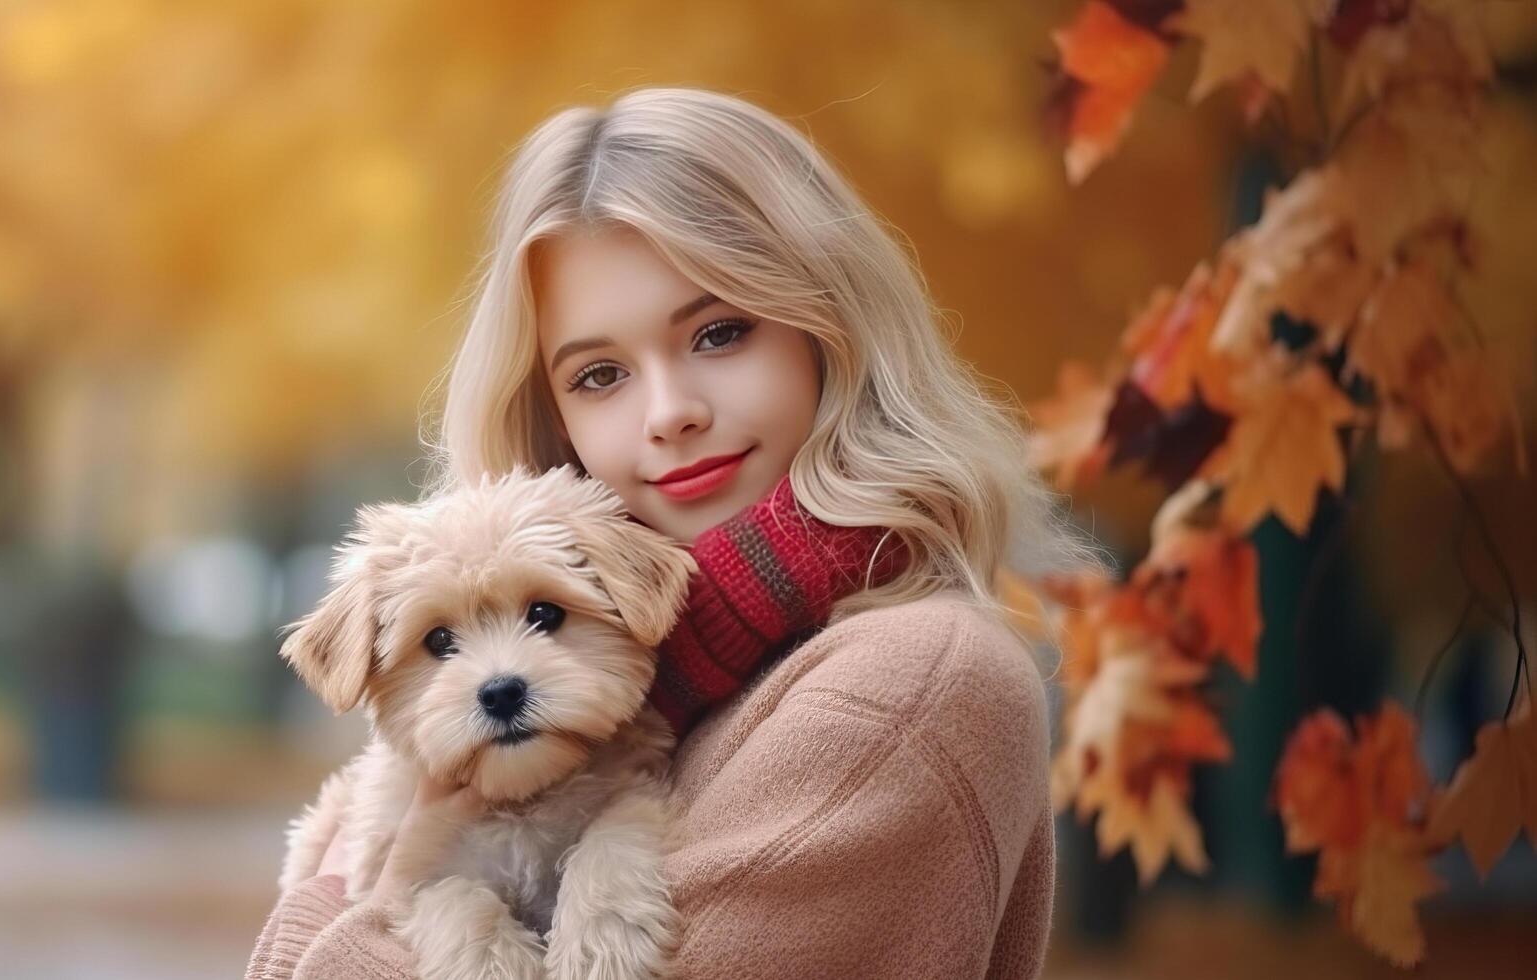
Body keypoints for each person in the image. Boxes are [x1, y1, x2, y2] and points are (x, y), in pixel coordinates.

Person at [246, 86, 1098, 980]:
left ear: (833, 333)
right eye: (600, 374)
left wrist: (359, 894)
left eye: (720, 332)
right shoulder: (658, 686)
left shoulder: (903, 685)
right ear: (553, 415)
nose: (670, 413)